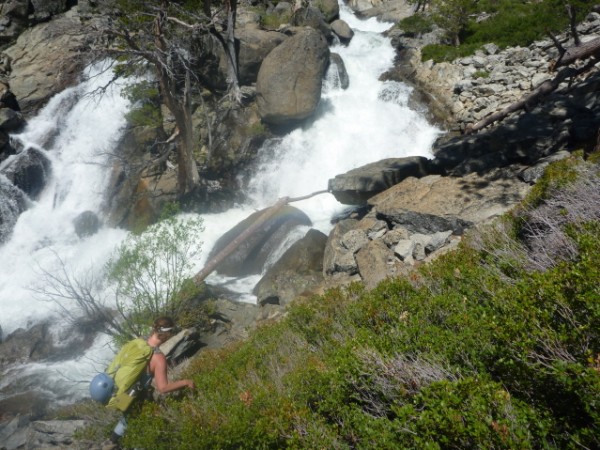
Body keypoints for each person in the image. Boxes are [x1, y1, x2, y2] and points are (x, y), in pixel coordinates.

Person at [110, 316, 195, 445]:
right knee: (145, 431)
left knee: (125, 420)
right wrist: (186, 382)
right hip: (138, 398)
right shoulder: (158, 357)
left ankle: (111, 443)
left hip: (121, 391)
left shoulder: (138, 341)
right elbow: (163, 388)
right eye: (171, 332)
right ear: (166, 333)